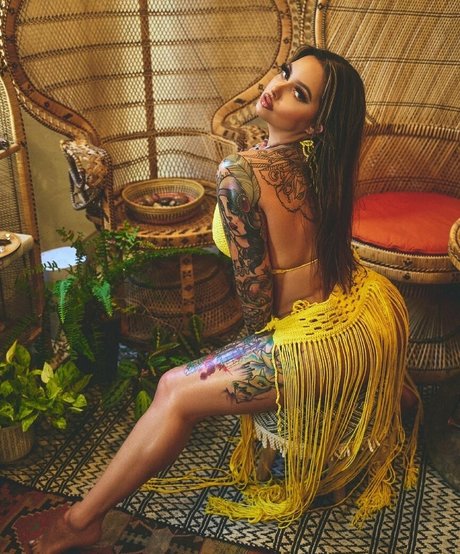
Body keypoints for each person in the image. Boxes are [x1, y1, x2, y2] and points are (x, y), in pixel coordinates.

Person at [30, 45, 420, 553]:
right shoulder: (325, 162)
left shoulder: (238, 174)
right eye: (285, 74)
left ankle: (82, 520)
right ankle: (397, 396)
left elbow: (255, 301)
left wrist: (242, 359)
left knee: (174, 391)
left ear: (316, 123)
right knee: (187, 382)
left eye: (298, 93)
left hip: (316, 343)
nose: (275, 88)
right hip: (369, 314)